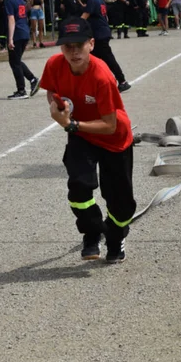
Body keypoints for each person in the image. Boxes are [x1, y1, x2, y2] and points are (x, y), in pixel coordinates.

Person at [39, 17, 136, 263]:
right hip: (82, 136)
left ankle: (115, 238)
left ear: (91, 44)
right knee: (79, 186)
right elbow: (52, 89)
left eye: (79, 45)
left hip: (113, 139)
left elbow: (109, 125)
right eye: (67, 46)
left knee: (121, 203)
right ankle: (92, 233)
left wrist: (70, 124)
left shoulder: (102, 76)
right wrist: (56, 104)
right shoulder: (54, 65)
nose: (73, 52)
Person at [79, 0, 131, 92]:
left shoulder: (92, 1)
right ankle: (105, 82)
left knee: (103, 59)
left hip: (99, 35)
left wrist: (73, 29)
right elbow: (105, 17)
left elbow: (83, 18)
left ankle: (121, 81)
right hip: (101, 32)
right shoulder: (100, 0)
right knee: (96, 60)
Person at [1, 0, 40, 99]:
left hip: (17, 33)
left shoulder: (9, 0)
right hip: (24, 31)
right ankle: (32, 80)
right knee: (16, 60)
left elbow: (11, 19)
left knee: (14, 62)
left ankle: (22, 90)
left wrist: (10, 38)